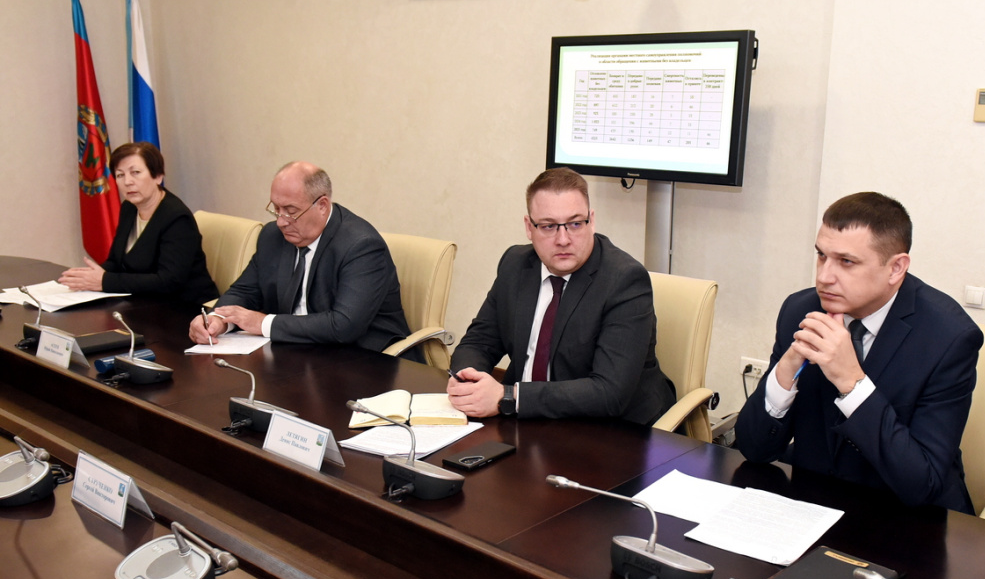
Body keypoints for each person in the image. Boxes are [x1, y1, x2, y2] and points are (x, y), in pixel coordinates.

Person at [736, 192, 983, 513]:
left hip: (907, 517)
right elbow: (754, 449)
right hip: (813, 500)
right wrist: (785, 372)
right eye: (821, 256)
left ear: (896, 268)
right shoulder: (800, 309)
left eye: (846, 262)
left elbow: (922, 483)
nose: (824, 277)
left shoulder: (948, 337)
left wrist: (853, 384)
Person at [447, 167, 674, 424]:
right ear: (529, 227)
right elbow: (478, 342)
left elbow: (609, 393)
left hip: (609, 429)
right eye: (548, 226)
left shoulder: (625, 280)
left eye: (575, 224)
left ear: (591, 221)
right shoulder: (515, 264)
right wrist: (468, 381)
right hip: (526, 420)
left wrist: (509, 397)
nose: (563, 239)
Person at [188, 161, 413, 349]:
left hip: (363, 359)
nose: (281, 221)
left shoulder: (361, 246)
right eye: (276, 209)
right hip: (296, 351)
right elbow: (244, 291)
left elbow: (344, 325)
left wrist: (263, 323)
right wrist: (218, 320)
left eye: (291, 211)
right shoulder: (272, 236)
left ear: (322, 205)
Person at [59, 142, 218, 305]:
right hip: (143, 302)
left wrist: (105, 281)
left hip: (184, 308)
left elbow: (168, 281)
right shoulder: (129, 208)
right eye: (120, 175)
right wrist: (88, 277)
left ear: (158, 176)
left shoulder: (177, 218)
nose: (127, 182)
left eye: (135, 173)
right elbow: (116, 261)